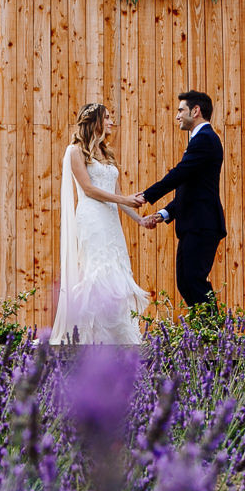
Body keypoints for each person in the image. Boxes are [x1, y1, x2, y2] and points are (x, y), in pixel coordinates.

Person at [50, 103, 150, 344]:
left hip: (110, 221)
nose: (111, 122)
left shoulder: (107, 153)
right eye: (107, 117)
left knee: (116, 271)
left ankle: (116, 336)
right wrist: (122, 199)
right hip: (92, 218)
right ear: (94, 121)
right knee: (97, 272)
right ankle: (91, 338)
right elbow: (89, 189)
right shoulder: (75, 151)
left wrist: (139, 219)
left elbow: (116, 193)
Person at [132, 90, 226, 309]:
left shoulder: (205, 139)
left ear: (196, 110)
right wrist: (165, 213)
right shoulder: (201, 140)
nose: (177, 116)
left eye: (180, 110)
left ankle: (214, 336)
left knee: (193, 281)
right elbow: (191, 186)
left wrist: (147, 195)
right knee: (186, 282)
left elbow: (179, 174)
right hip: (194, 224)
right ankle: (209, 335)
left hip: (202, 224)